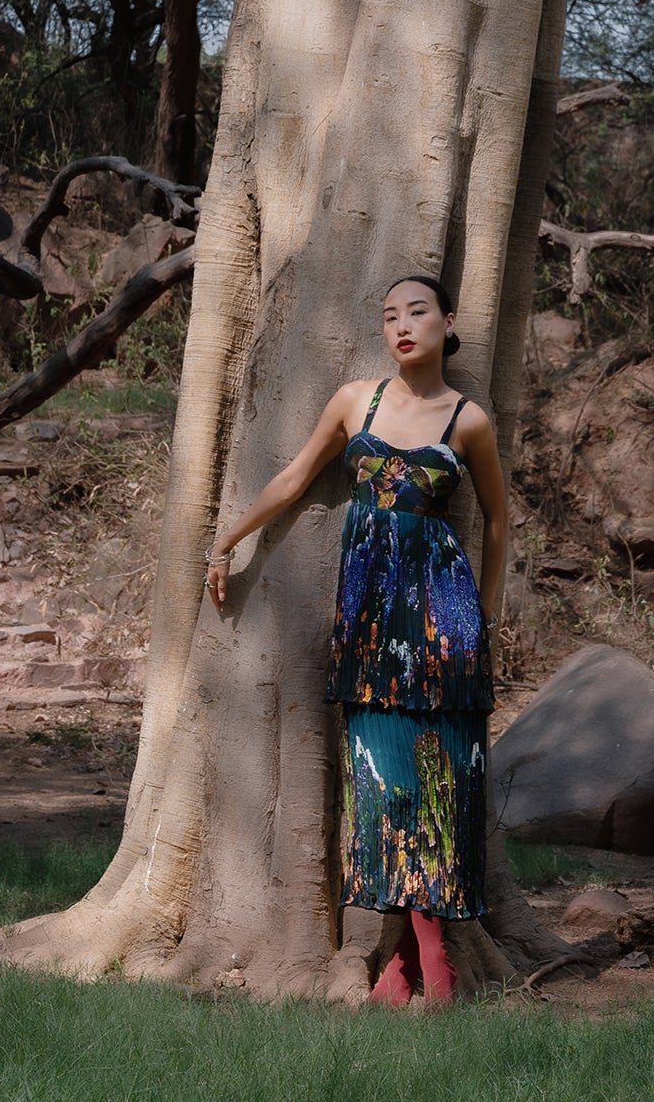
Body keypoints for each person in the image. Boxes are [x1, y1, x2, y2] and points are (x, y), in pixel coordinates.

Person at [204, 274, 507, 1003]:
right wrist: (227, 540)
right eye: (389, 316)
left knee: (444, 788)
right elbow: (294, 478)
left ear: (448, 321)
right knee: (386, 786)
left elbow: (498, 520)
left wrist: (485, 620)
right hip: (372, 623)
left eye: (417, 312)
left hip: (446, 623)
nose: (402, 325)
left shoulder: (468, 420)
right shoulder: (355, 401)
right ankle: (416, 965)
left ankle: (420, 972)